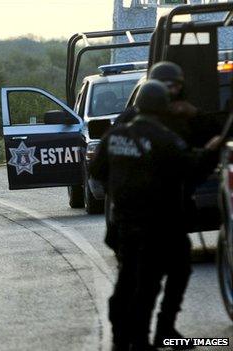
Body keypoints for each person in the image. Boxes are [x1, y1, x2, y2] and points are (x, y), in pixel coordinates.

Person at [90, 80, 220, 351]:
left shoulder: (116, 135)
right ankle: (142, 339)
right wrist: (210, 150)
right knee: (148, 284)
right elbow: (191, 168)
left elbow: (97, 170)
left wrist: (122, 186)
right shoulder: (164, 138)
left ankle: (122, 340)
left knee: (128, 281)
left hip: (124, 222)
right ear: (163, 107)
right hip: (157, 224)